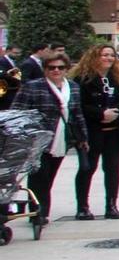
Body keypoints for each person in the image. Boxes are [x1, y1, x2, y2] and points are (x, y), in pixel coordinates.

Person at [17, 52, 86, 228]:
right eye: (51, 67)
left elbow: (77, 114)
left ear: (66, 69)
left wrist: (83, 137)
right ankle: (39, 213)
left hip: (62, 138)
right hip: (38, 140)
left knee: (49, 177)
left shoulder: (73, 87)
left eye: (60, 67)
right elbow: (18, 112)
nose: (56, 70)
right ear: (45, 69)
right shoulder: (33, 87)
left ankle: (39, 209)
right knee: (39, 176)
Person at [71, 45, 119, 220]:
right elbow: (78, 105)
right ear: (94, 57)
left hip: (115, 131)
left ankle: (111, 205)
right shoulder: (82, 79)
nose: (108, 58)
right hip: (92, 131)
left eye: (111, 55)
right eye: (104, 55)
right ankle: (82, 206)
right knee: (87, 168)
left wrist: (116, 111)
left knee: (113, 169)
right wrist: (100, 114)